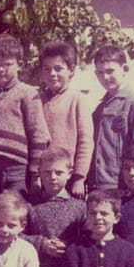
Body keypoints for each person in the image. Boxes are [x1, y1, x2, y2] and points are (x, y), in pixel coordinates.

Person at [0, 33, 50, 201]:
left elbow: (38, 134)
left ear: (19, 65)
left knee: (16, 210)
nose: (1, 69)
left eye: (7, 65)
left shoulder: (28, 93)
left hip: (17, 169)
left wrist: (35, 174)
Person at [89, 45, 134, 190]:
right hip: (98, 184)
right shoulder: (100, 108)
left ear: (124, 69)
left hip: (123, 186)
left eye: (110, 71)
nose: (105, 77)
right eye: (100, 73)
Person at [26, 147, 86, 267]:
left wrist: (68, 245)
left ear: (69, 174)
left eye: (58, 172)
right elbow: (17, 236)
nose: (52, 177)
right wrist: (43, 244)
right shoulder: (30, 206)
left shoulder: (79, 207)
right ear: (39, 172)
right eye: (47, 172)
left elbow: (88, 238)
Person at [38, 41, 93, 198]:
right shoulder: (36, 100)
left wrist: (79, 178)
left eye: (58, 68)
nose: (52, 74)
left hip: (67, 178)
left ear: (71, 70)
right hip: (42, 176)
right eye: (47, 69)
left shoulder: (77, 100)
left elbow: (85, 142)